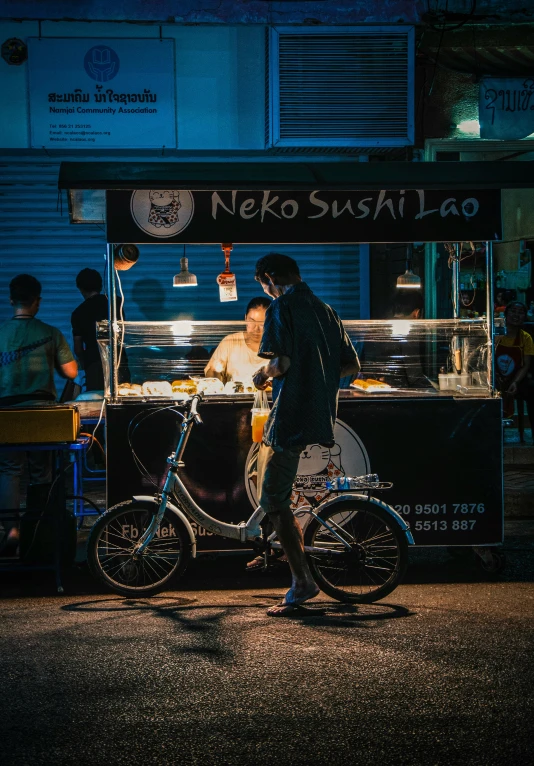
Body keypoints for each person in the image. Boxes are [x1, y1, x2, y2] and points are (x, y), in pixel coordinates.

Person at [251, 253, 360, 617]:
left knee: (273, 500)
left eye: (263, 285)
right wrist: (319, 381)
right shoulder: (326, 310)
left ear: (269, 278)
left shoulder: (281, 308)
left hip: (290, 419)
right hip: (317, 418)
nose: (266, 291)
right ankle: (292, 558)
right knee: (276, 494)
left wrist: (263, 373)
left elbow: (281, 363)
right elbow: (352, 366)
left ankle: (303, 581)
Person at [0, 274, 77, 551]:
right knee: (41, 472)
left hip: (6, 413)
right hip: (42, 414)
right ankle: (39, 530)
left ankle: (11, 530)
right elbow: (71, 372)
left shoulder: (1, 333)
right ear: (38, 302)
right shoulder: (50, 332)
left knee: (9, 470)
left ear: (11, 299)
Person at [71, 268, 125, 392]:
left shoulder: (78, 313)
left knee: (98, 405)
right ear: (100, 286)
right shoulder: (116, 303)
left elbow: (78, 348)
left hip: (94, 365)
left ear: (80, 288)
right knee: (123, 398)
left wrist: (85, 365)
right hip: (119, 361)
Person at [204, 297, 271, 383]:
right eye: (252, 321)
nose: (256, 329)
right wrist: (214, 371)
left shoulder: (278, 347)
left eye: (262, 324)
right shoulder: (230, 342)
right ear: (245, 318)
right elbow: (211, 377)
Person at [495, 301, 534, 438]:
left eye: (520, 312)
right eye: (513, 311)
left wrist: (515, 382)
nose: (516, 315)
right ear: (505, 314)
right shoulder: (497, 334)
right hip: (496, 377)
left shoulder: (526, 338)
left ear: (524, 317)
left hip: (516, 377)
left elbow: (526, 365)